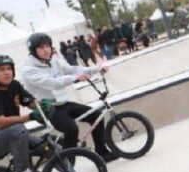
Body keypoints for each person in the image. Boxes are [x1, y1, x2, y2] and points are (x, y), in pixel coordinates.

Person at [18, 33, 116, 164]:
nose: (46, 49)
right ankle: (68, 168)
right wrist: (74, 78)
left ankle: (102, 152)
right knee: (71, 128)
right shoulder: (28, 70)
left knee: (96, 115)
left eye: (47, 46)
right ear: (33, 50)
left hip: (63, 103)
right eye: (41, 47)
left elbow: (72, 69)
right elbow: (52, 82)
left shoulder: (52, 61)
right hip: (47, 108)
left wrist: (97, 69)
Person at [0, 55, 49, 172]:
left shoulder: (15, 85)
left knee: (49, 146)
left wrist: (43, 105)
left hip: (15, 134)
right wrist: (30, 117)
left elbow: (30, 102)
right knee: (18, 129)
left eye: (9, 68)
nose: (7, 72)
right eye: (1, 70)